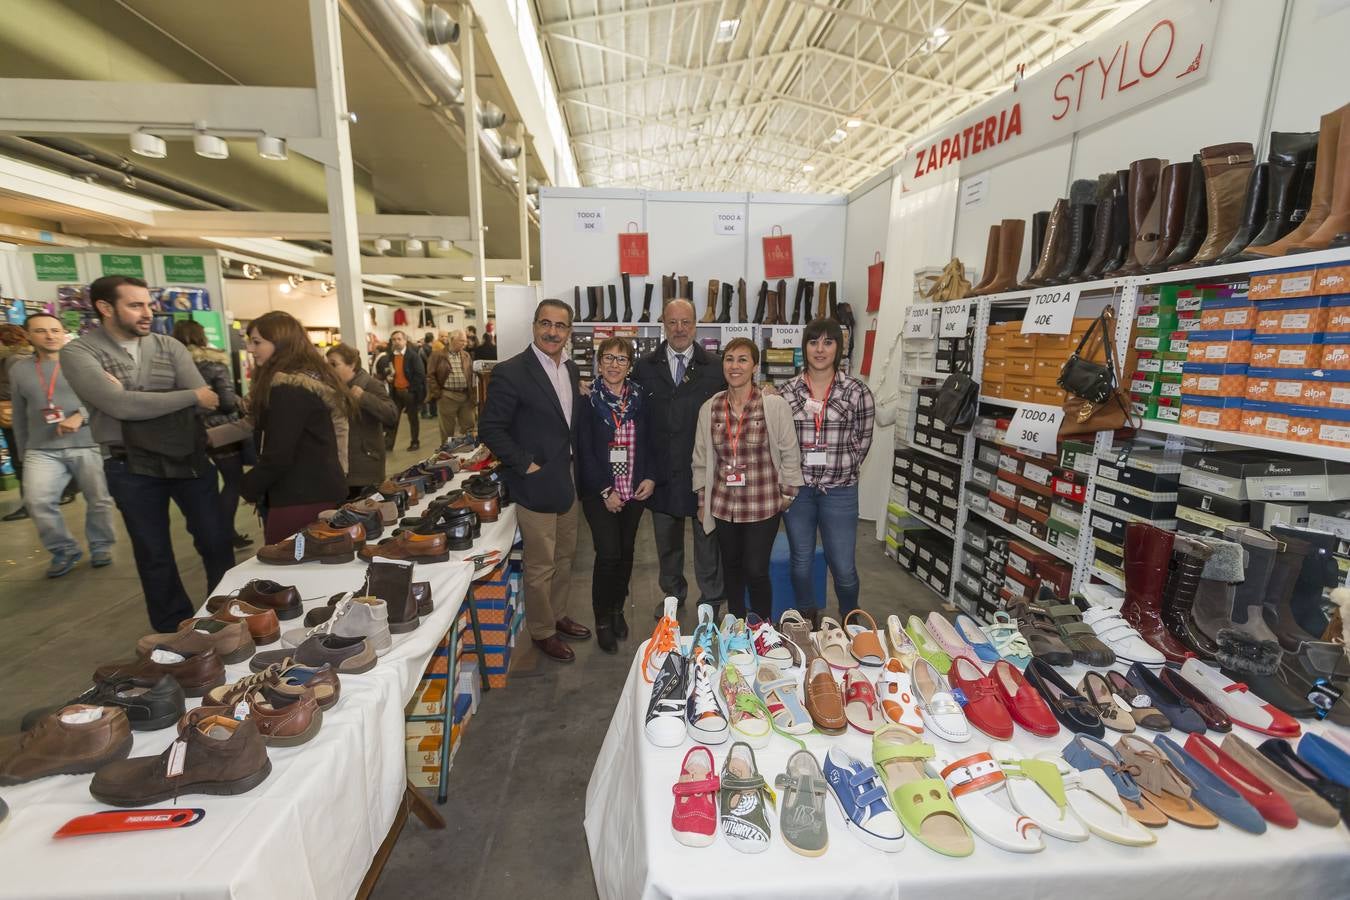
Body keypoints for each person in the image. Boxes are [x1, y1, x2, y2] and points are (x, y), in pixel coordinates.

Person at [61, 275, 232, 632]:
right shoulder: (79, 352)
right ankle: (173, 631)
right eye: (135, 305)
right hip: (129, 464)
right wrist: (181, 396)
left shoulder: (169, 345)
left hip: (187, 455)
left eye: (148, 304)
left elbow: (206, 400)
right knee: (153, 553)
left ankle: (226, 613)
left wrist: (131, 395)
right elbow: (120, 406)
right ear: (105, 308)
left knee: (215, 539)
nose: (147, 312)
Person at [479, 298, 589, 663]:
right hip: (536, 481)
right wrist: (525, 464)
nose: (552, 332)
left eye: (560, 326)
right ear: (534, 326)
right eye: (546, 323)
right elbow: (490, 427)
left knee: (565, 554)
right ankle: (542, 631)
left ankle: (557, 614)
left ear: (569, 332)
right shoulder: (511, 371)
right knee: (541, 563)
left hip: (567, 478)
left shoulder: (570, 369)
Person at [691, 338, 803, 620]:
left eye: (743, 359)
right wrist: (703, 501)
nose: (735, 366)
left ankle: (762, 626)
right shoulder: (710, 408)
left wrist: (787, 494)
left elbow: (790, 451)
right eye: (729, 359)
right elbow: (701, 458)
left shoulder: (773, 405)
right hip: (724, 505)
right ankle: (737, 624)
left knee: (756, 569)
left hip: (762, 504)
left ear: (755, 366)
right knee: (731, 567)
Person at [633, 298, 726, 620]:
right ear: (663, 325)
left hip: (703, 471)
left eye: (686, 322)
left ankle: (711, 599)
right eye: (672, 322)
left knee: (707, 540)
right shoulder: (644, 367)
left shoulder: (715, 366)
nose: (679, 329)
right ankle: (672, 595)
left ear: (696, 325)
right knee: (667, 543)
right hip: (661, 471)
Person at [780, 318, 876, 623]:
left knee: (843, 567)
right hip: (798, 492)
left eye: (828, 342)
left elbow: (863, 440)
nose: (820, 350)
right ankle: (807, 617)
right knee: (800, 563)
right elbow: (780, 441)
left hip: (840, 491)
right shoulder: (787, 392)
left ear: (839, 348)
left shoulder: (857, 391)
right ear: (804, 347)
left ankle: (850, 619)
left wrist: (842, 468)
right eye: (813, 342)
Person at [11, 313, 116, 577]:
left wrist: (81, 416)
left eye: (55, 330)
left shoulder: (84, 363)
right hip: (41, 448)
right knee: (37, 502)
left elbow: (109, 397)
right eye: (41, 331)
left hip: (89, 444)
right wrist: (23, 452)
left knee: (99, 500)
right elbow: (19, 413)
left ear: (63, 333)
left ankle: (101, 546)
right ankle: (64, 550)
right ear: (28, 335)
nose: (50, 336)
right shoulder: (19, 369)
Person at [241, 311, 354, 544]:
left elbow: (278, 454)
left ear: (280, 341)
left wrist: (248, 486)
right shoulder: (305, 380)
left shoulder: (288, 388)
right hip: (314, 490)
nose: (250, 349)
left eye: (257, 342)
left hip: (300, 495)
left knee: (287, 558)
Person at [577, 337, 655, 653]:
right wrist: (605, 490)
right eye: (608, 358)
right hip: (600, 492)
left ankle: (617, 609)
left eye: (621, 359)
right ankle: (601, 620)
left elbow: (652, 441)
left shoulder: (640, 399)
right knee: (608, 553)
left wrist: (650, 476)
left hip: (633, 491)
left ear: (630, 366)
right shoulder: (586, 400)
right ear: (598, 363)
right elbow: (584, 450)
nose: (614, 364)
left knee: (625, 552)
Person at [173, 320, 250, 550]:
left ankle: (210, 534)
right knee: (233, 481)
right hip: (220, 431)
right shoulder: (214, 362)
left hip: (186, 431)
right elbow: (226, 402)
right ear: (201, 336)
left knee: (201, 486)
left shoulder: (173, 365)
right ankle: (226, 531)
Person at [326, 342, 398, 497]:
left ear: (351, 365)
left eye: (334, 364)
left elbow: (391, 415)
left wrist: (364, 397)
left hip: (365, 466)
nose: (329, 369)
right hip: (341, 466)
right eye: (327, 364)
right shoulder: (332, 388)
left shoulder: (370, 385)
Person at [0, 323, 35, 521]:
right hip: (23, 414)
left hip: (14, 414)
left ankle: (29, 504)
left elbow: (14, 388)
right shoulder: (24, 356)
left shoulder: (13, 359)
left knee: (21, 459)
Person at [374, 330, 424, 451]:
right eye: (394, 339)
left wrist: (410, 389)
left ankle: (415, 442)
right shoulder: (390, 356)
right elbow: (388, 371)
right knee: (393, 418)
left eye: (399, 339)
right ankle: (389, 443)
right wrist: (388, 377)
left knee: (413, 419)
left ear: (405, 340)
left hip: (409, 392)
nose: (396, 342)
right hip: (396, 392)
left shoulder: (413, 356)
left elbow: (420, 375)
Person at [428, 328, 477, 442]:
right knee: (447, 430)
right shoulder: (437, 355)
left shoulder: (466, 355)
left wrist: (473, 394)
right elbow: (430, 376)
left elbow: (471, 375)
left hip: (465, 396)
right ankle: (447, 450)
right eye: (461, 341)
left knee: (469, 426)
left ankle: (468, 449)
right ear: (451, 340)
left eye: (465, 341)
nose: (465, 343)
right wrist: (438, 393)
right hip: (447, 396)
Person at [419, 332, 436, 419]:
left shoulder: (422, 348)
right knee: (427, 394)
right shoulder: (429, 349)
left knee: (426, 393)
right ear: (433, 339)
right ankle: (426, 412)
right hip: (427, 374)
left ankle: (428, 412)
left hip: (423, 373)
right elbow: (430, 362)